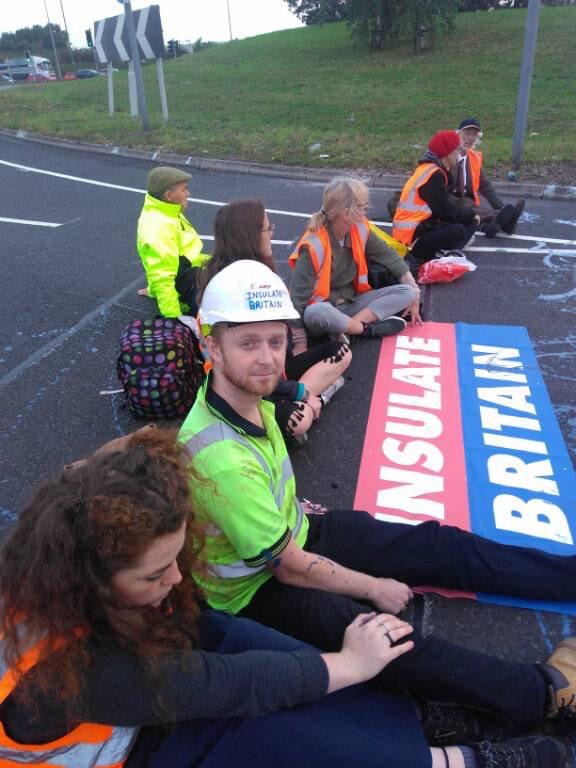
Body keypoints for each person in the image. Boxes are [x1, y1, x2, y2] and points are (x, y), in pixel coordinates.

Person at [180, 258, 576, 752]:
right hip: (254, 592)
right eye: (248, 343)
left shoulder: (245, 389)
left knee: (434, 543)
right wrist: (376, 587)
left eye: (276, 341)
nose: (266, 358)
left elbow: (294, 395)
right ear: (212, 345)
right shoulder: (220, 458)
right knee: (383, 636)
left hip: (295, 531)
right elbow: (290, 569)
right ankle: (542, 696)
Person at [0, 427, 555, 768]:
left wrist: (340, 668)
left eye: (176, 558)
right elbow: (229, 686)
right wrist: (346, 663)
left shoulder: (77, 551)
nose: (174, 578)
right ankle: (445, 761)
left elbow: (100, 470)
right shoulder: (68, 674)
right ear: (91, 579)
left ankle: (404, 718)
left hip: (130, 673)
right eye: (154, 574)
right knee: (264, 734)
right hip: (121, 749)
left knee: (247, 640)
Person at [197, 198, 352, 442]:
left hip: (276, 375)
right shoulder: (227, 291)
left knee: (342, 352)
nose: (271, 234)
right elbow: (249, 363)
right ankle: (316, 397)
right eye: (267, 229)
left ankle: (308, 399)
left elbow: (278, 343)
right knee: (298, 422)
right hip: (243, 383)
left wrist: (297, 379)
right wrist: (299, 392)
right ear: (247, 235)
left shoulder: (261, 275)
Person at [289, 177, 421, 340]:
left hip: (352, 303)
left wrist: (415, 292)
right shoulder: (312, 246)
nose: (366, 210)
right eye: (362, 206)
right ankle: (364, 329)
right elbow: (296, 301)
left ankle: (348, 330)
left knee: (406, 292)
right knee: (315, 312)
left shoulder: (359, 228)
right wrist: (299, 341)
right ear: (346, 213)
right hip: (325, 310)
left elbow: (388, 255)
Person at [393, 131, 479, 271]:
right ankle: (445, 255)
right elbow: (447, 212)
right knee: (460, 228)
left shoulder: (430, 169)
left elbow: (445, 207)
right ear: (448, 153)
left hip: (415, 230)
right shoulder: (433, 175)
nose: (459, 154)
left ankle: (446, 252)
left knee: (467, 221)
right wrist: (471, 215)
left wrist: (468, 213)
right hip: (411, 240)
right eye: (457, 150)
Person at [136, 166, 210, 318]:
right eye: (184, 190)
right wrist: (176, 319)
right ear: (169, 196)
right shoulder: (159, 227)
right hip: (185, 287)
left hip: (189, 271)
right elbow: (163, 276)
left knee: (232, 261)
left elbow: (170, 258)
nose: (188, 194)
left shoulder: (167, 211)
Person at [450, 118, 525, 238]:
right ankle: (503, 221)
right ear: (457, 134)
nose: (470, 138)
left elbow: (485, 185)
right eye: (467, 133)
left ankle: (497, 224)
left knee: (472, 208)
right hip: (448, 198)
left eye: (474, 134)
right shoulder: (447, 154)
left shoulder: (474, 157)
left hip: (467, 200)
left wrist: (500, 206)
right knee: (468, 208)